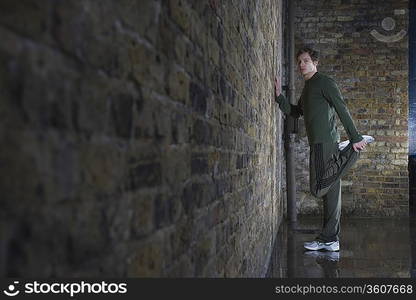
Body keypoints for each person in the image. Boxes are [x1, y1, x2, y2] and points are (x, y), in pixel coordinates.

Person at [274, 46, 374, 252]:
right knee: (331, 196)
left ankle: (352, 150)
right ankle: (330, 239)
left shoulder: (325, 82)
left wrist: (355, 137)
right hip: (322, 143)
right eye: (299, 62)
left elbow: (341, 108)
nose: (302, 65)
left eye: (306, 61)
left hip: (324, 143)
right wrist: (279, 97)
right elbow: (295, 112)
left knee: (318, 188)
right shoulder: (308, 88)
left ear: (315, 62)